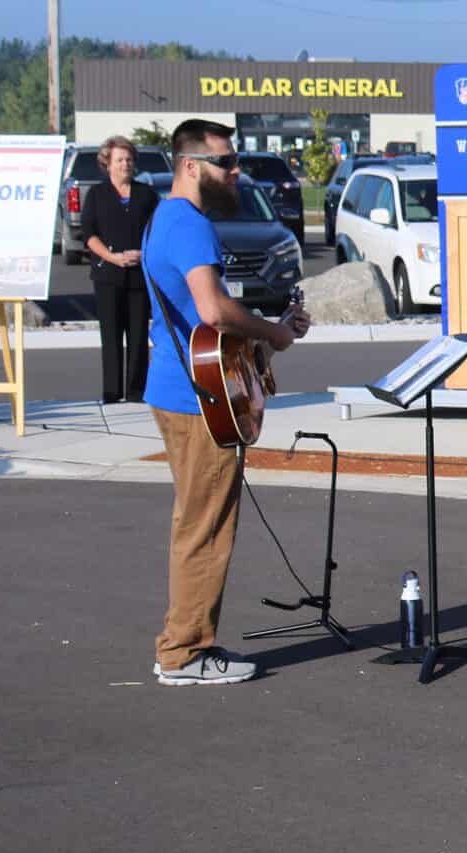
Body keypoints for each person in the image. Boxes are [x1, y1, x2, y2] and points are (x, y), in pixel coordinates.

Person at [140, 119, 311, 686]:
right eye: (226, 162)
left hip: (181, 387)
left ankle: (183, 644)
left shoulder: (164, 219)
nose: (236, 171)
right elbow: (213, 311)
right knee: (206, 527)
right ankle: (185, 652)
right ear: (191, 166)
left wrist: (268, 333)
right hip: (199, 399)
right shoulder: (190, 225)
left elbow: (202, 323)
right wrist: (275, 331)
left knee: (196, 520)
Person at [83, 135, 160, 404]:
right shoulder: (97, 195)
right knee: (111, 335)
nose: (125, 164)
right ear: (107, 163)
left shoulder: (146, 194)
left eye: (128, 159)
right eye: (119, 160)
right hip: (108, 274)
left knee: (138, 335)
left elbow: (158, 230)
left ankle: (136, 390)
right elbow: (89, 234)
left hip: (139, 274)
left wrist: (144, 253)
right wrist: (113, 258)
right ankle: (112, 391)